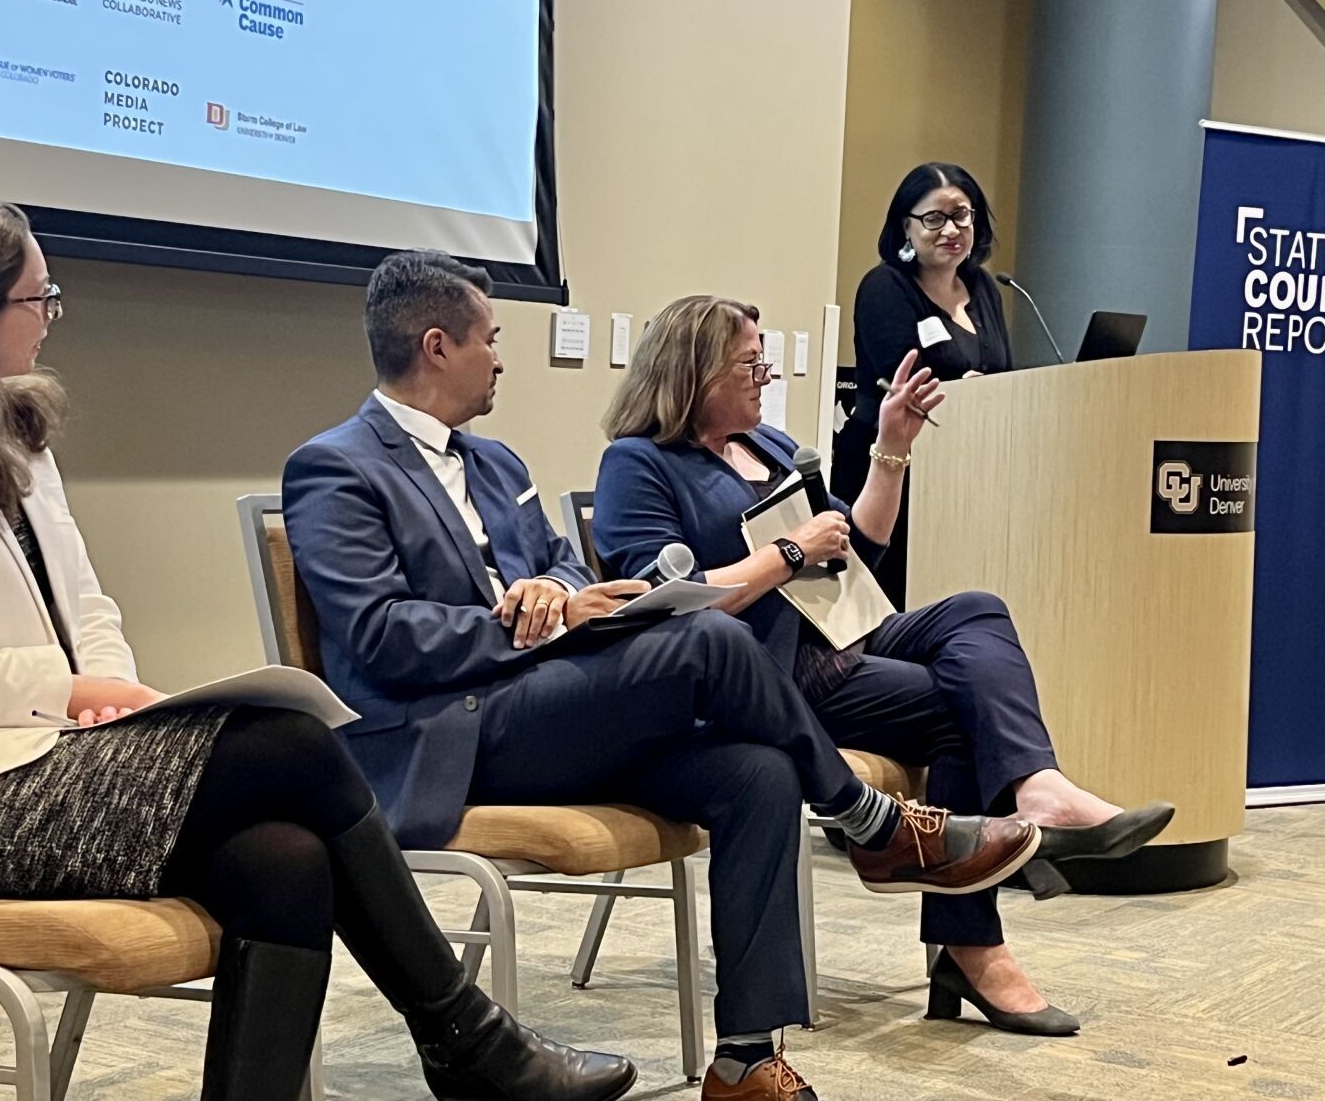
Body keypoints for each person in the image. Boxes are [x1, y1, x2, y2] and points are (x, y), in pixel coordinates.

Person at [0, 198, 638, 1101]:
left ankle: (457, 1051)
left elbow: (87, 601)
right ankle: (467, 1041)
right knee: (286, 743)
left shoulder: (14, 442)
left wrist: (114, 688)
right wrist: (82, 691)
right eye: (39, 298)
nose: (50, 315)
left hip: (37, 756)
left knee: (284, 858)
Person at [282, 250, 1043, 1101]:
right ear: (435, 346)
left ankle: (745, 1059)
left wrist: (558, 591)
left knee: (755, 771)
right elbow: (377, 638)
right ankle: (869, 821)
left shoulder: (497, 463)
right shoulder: (334, 466)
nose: (500, 357)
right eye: (490, 340)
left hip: (558, 707)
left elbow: (572, 569)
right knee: (712, 641)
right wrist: (528, 620)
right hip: (451, 734)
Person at [594, 294, 1174, 1037]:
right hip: (766, 670)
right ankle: (971, 944)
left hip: (840, 628)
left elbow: (858, 547)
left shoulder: (768, 445)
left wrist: (891, 446)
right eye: (751, 362)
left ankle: (1036, 786)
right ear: (695, 370)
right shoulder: (639, 464)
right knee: (959, 713)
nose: (766, 375)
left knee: (976, 609)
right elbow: (665, 606)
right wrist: (790, 550)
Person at [833, 162, 1014, 608]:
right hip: (890, 469)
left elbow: (1005, 372)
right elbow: (905, 383)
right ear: (905, 228)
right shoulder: (884, 287)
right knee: (893, 603)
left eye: (962, 215)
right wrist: (966, 391)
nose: (951, 228)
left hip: (967, 470)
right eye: (934, 218)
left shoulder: (983, 287)